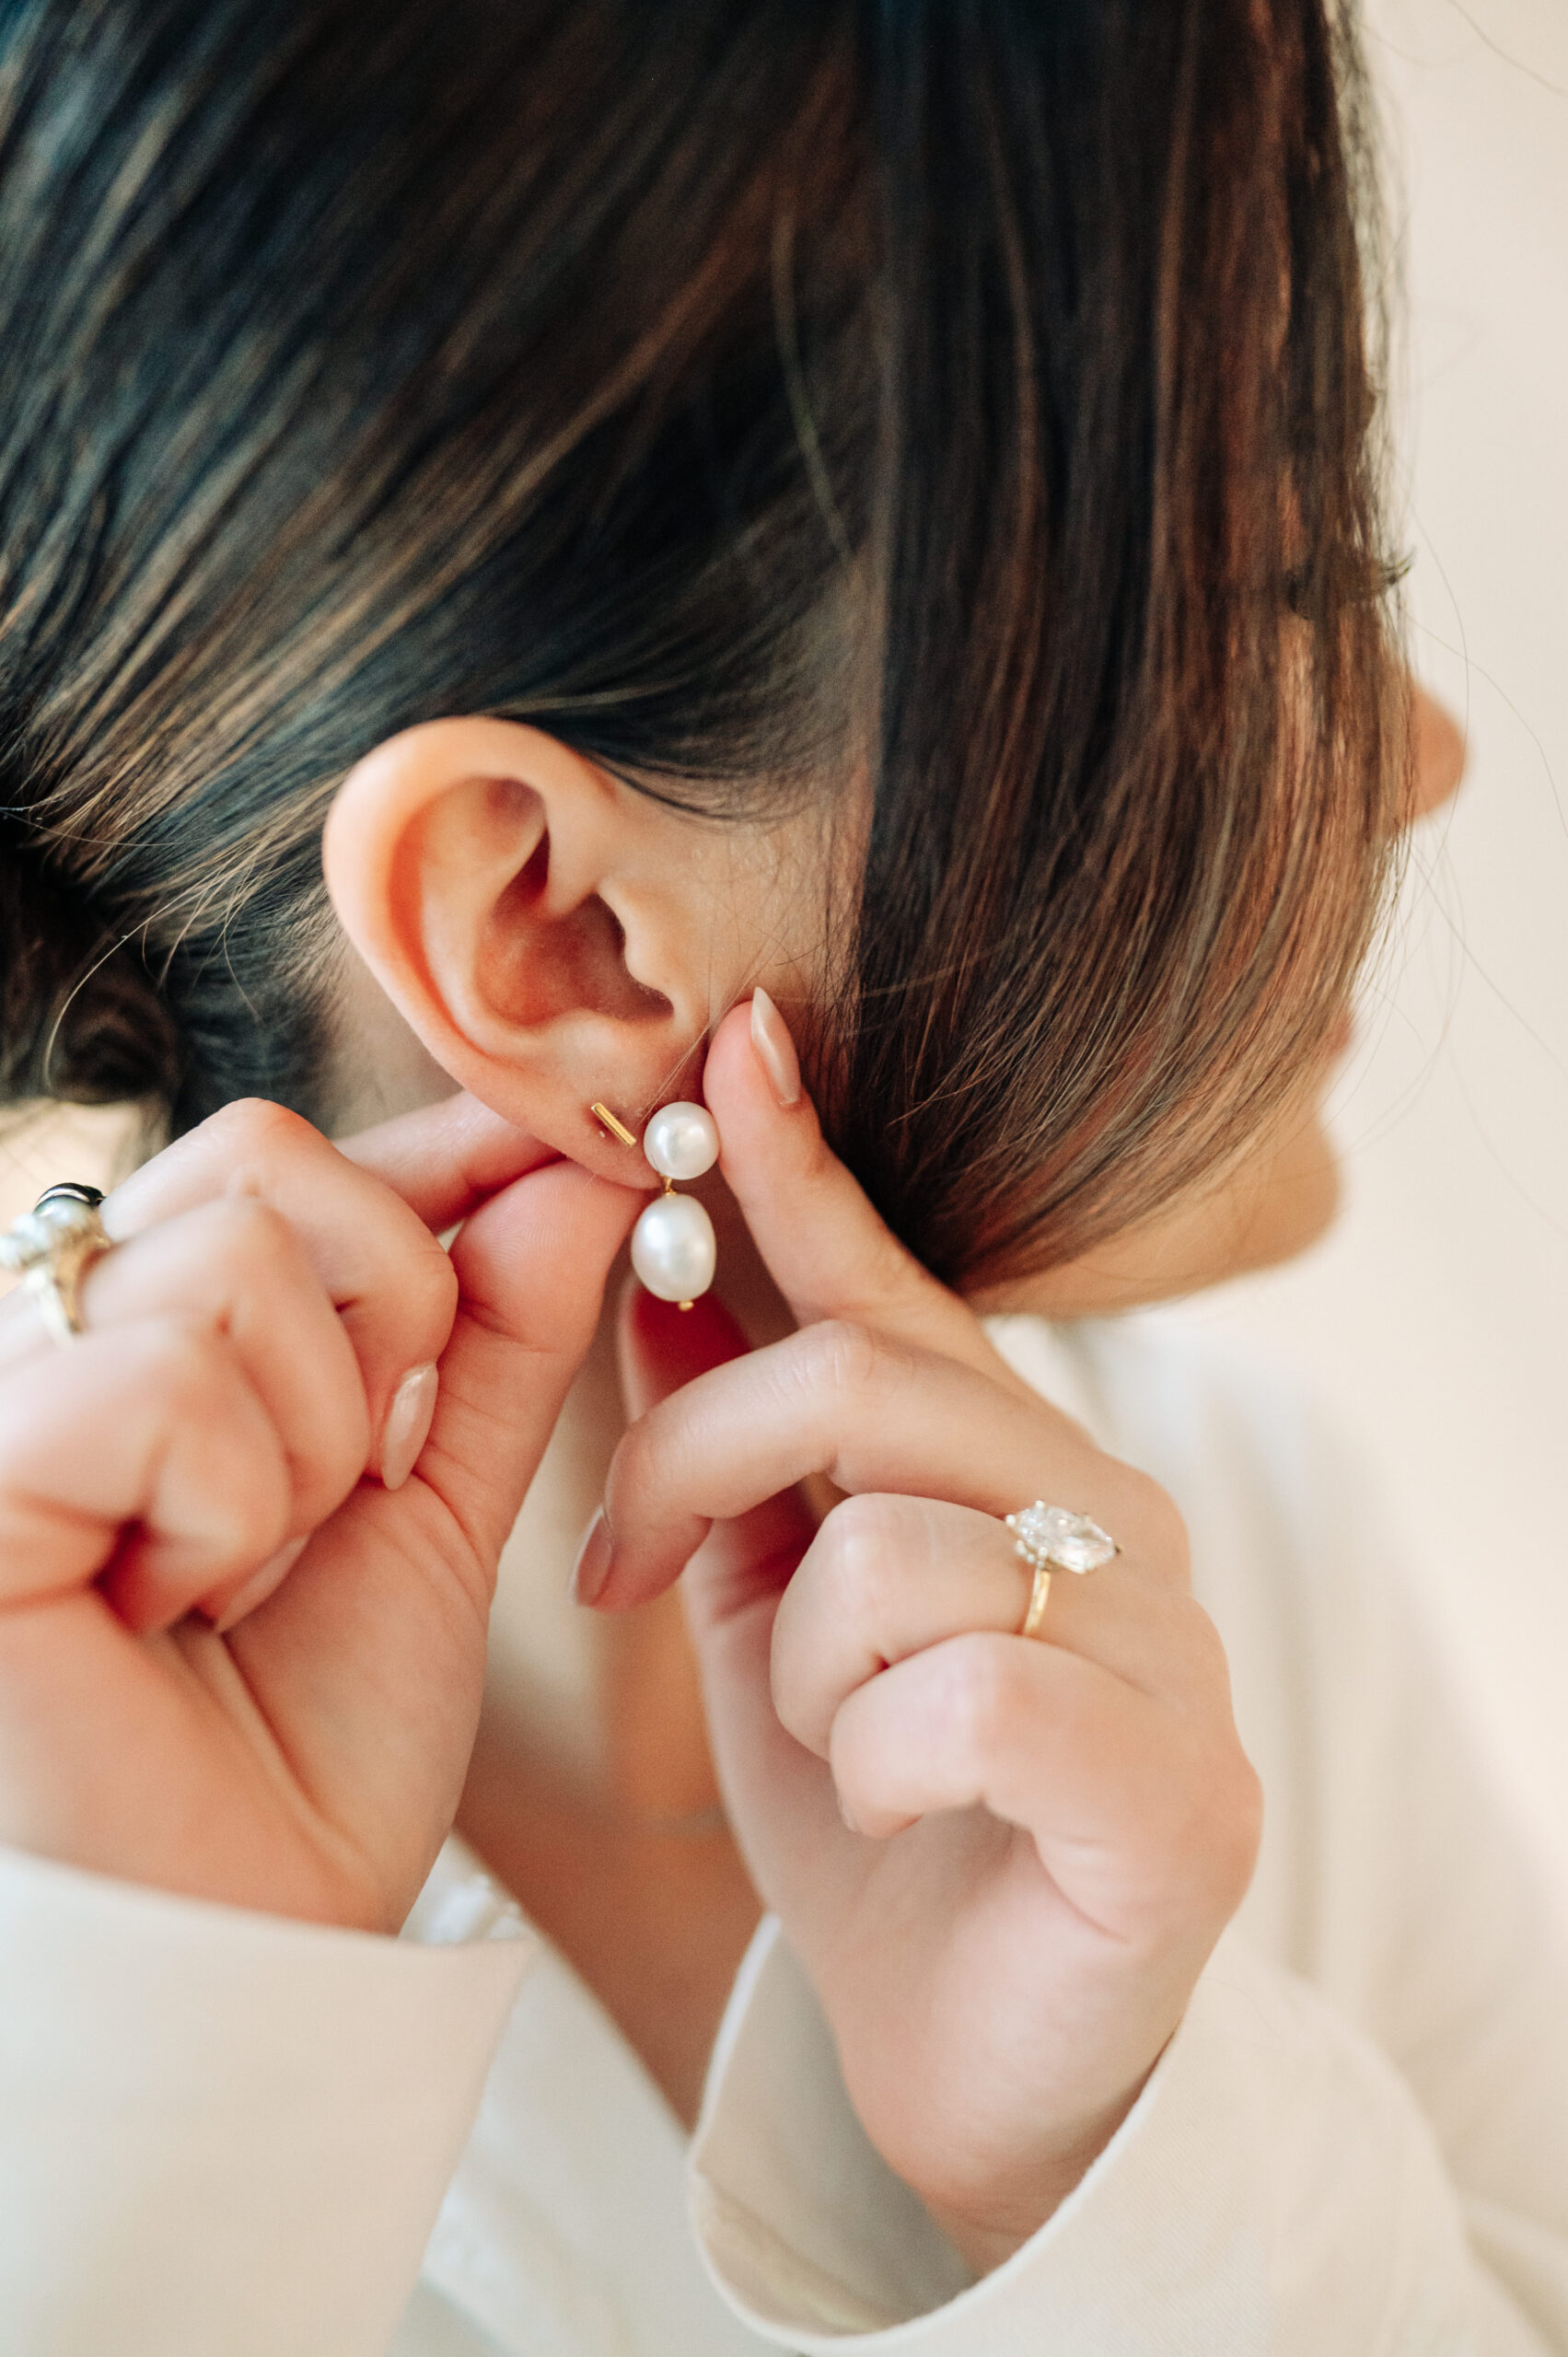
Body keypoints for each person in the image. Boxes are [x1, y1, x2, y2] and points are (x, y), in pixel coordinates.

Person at [0, 2, 1562, 2351]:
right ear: (555, 928)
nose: (1417, 749)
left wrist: (1105, 2172)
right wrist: (146, 2098)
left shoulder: (1249, 1553)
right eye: (1281, 594)